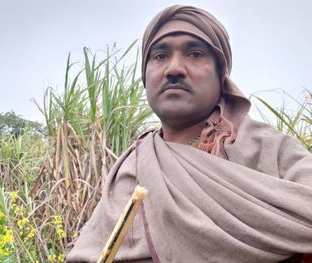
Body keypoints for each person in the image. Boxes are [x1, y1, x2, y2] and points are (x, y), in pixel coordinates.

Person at [66, 5, 312, 263]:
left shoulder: (267, 148)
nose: (174, 69)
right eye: (160, 56)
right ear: (145, 76)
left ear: (221, 75)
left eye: (195, 54)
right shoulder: (132, 165)